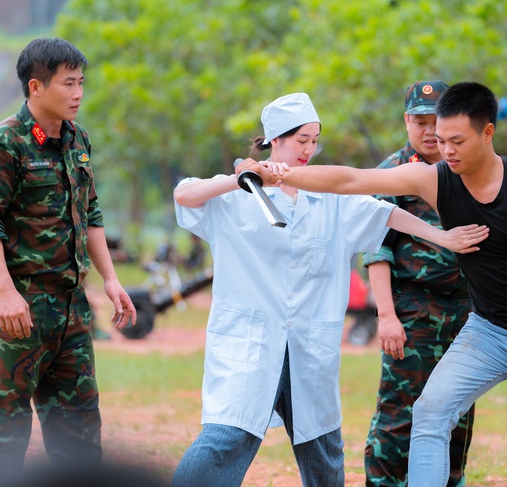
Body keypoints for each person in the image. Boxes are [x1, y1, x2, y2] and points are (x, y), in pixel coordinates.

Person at [238, 82, 507, 486]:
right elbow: (349, 180)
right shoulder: (435, 179)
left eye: (457, 141)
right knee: (429, 413)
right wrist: (280, 174)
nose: (446, 150)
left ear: (487, 133)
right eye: (442, 140)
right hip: (488, 333)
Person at [171, 92, 489, 487]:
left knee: (323, 449)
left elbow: (384, 213)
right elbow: (184, 194)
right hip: (250, 345)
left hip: (308, 346)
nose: (309, 149)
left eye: (314, 140)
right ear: (276, 139)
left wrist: (441, 237)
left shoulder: (327, 197)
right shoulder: (235, 197)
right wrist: (239, 180)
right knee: (228, 437)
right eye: (301, 139)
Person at [0, 37, 137, 487]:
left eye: (81, 83)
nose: (78, 93)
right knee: (4, 430)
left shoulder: (78, 140)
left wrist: (110, 280)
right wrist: (5, 292)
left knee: (80, 434)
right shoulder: (1, 144)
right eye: (68, 83)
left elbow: (90, 212)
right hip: (18, 306)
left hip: (71, 308)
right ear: (35, 87)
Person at [362, 81, 473, 487]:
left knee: (457, 410)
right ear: (406, 121)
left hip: (465, 312)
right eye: (419, 121)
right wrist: (387, 316)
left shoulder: (466, 167)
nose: (428, 131)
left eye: (435, 122)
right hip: (413, 310)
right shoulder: (393, 174)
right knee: (400, 412)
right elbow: (376, 249)